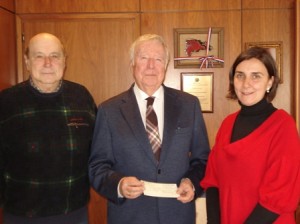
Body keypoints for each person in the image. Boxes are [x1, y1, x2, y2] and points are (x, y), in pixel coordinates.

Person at [88, 33, 210, 224]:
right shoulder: (109, 110)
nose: (151, 66)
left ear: (165, 65)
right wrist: (118, 185)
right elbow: (97, 167)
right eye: (144, 58)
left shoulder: (189, 105)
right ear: (132, 65)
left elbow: (203, 160)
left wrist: (192, 183)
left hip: (177, 214)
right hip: (129, 216)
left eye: (158, 59)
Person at [0, 33, 97, 224]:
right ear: (27, 61)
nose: (47, 63)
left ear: (64, 61)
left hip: (74, 212)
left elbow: (99, 148)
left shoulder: (81, 96)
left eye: (54, 55)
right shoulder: (6, 102)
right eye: (39, 56)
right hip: (21, 215)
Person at [201, 47, 300, 224]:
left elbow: (280, 193)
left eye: (256, 76)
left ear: (270, 82)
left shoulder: (283, 125)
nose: (246, 83)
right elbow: (212, 180)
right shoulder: (227, 124)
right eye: (240, 75)